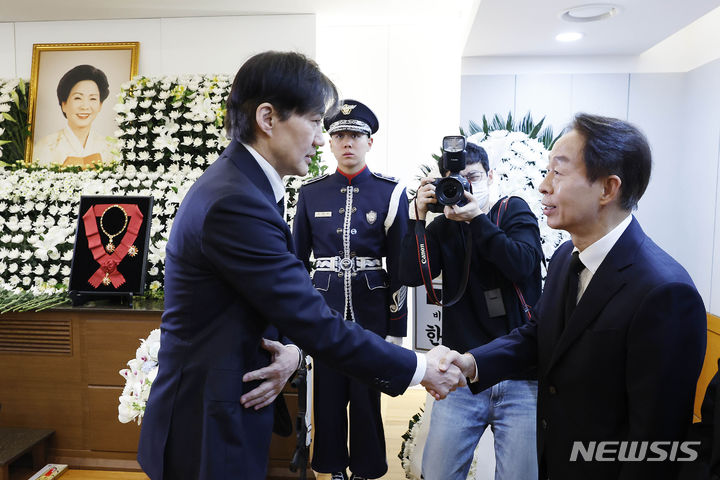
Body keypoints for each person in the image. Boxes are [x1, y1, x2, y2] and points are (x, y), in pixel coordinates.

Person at [136, 51, 465, 480]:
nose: (320, 139)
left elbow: (273, 297)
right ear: (268, 118)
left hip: (231, 402)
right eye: (314, 122)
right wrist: (421, 368)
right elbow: (309, 314)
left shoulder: (245, 186)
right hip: (207, 419)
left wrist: (291, 348)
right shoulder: (236, 201)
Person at [442, 113, 707, 479]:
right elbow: (540, 334)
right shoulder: (568, 256)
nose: (542, 186)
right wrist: (472, 362)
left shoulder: (665, 293)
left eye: (557, 172)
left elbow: (652, 444)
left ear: (607, 189)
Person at [399, 142, 543, 479]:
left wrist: (478, 220)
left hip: (519, 374)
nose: (465, 189)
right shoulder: (443, 226)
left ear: (491, 176)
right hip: (460, 374)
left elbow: (522, 265)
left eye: (473, 178)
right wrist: (416, 220)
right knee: (439, 474)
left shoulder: (512, 210)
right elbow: (410, 275)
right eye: (455, 182)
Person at [293, 99, 409, 480]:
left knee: (365, 397)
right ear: (329, 142)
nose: (348, 142)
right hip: (323, 310)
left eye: (356, 135)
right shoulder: (311, 193)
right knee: (327, 396)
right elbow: (295, 261)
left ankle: (366, 467)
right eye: (340, 135)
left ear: (369, 142)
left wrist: (396, 327)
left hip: (371, 313)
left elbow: (401, 268)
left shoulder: (390, 192)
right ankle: (331, 466)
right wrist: (296, 320)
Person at [33, 64, 115, 168]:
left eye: (93, 98)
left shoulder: (110, 149)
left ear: (100, 105)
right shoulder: (45, 146)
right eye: (78, 98)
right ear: (64, 104)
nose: (85, 106)